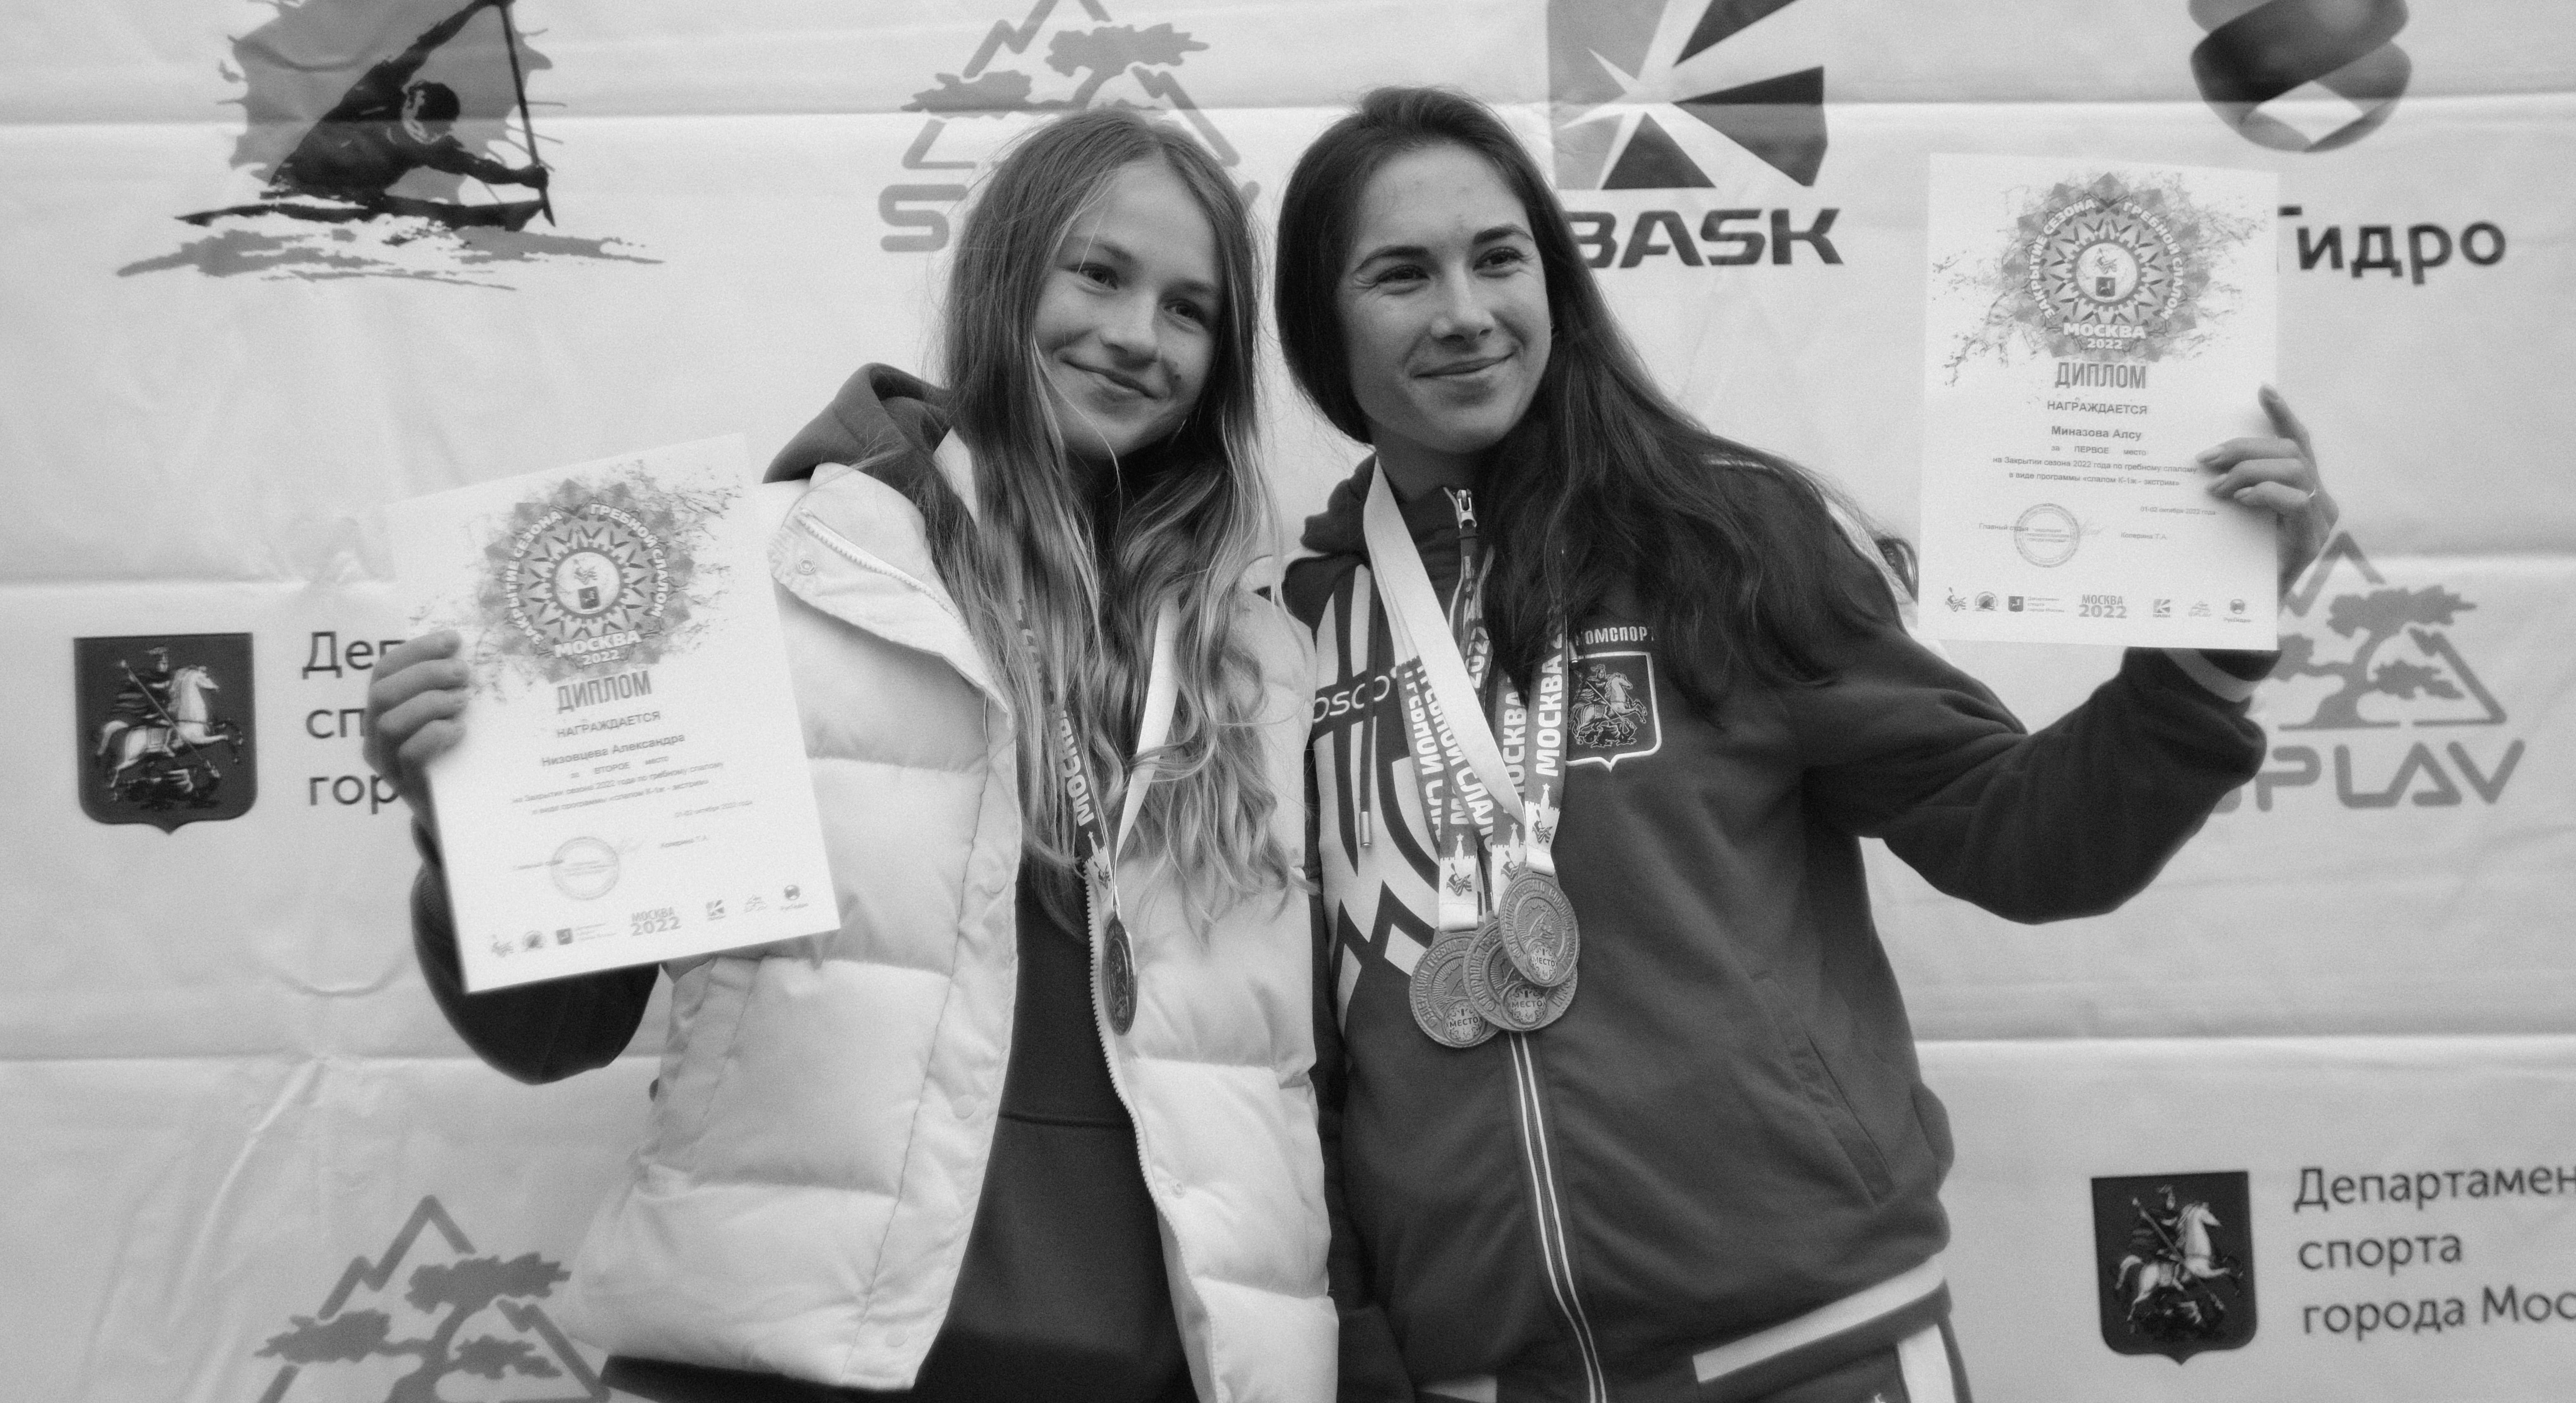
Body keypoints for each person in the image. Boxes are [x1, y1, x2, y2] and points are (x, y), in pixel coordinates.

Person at [1271, 88, 2334, 1403]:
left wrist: (2203, 655)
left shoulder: (1718, 539)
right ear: (1321, 325)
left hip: (1814, 1349)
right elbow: (1303, 1056)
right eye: (1400, 275)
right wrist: (1360, 1340)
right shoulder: (1293, 634)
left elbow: (2023, 840)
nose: (1466, 313)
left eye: (1500, 258)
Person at [364, 108, 1333, 1402]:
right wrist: (469, 829)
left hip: (1164, 1377)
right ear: (1004, 276)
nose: (1135, 335)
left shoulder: (1256, 661)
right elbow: (555, 1033)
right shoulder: (752, 578)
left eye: (1189, 310)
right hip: (794, 1368)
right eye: (1098, 274)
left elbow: (1296, 1088)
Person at [266, 0, 549, 227]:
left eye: (436, 131)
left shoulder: (430, 147)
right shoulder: (375, 93)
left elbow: (477, 167)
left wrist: (521, 177)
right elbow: (427, 44)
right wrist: (478, 5)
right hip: (293, 188)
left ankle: (494, 220)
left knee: (417, 211)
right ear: (408, 106)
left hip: (353, 204)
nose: (427, 136)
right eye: (424, 127)